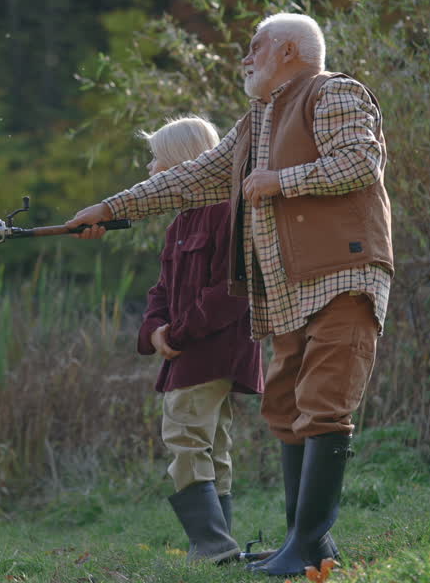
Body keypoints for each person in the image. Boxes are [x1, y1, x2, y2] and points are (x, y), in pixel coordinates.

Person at [66, 13, 393, 577]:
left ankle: (306, 549)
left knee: (323, 402)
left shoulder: (333, 91)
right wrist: (110, 209)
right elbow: (187, 179)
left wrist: (280, 181)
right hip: (289, 290)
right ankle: (308, 545)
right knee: (287, 407)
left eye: (255, 46)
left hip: (343, 274)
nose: (245, 57)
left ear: (289, 50)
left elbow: (362, 162)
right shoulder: (252, 125)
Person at [127, 116, 262, 564]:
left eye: (157, 160)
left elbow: (231, 291)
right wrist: (154, 330)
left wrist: (178, 335)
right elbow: (161, 291)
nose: (151, 171)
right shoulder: (180, 223)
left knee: (186, 438)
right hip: (189, 350)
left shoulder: (228, 213)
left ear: (182, 163)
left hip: (213, 352)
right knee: (211, 446)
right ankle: (218, 548)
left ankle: (211, 547)